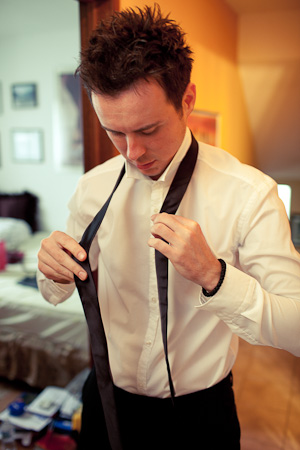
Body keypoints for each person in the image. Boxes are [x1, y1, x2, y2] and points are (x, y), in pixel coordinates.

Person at [37, 4, 300, 449]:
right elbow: (55, 291)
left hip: (200, 416)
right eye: (114, 132)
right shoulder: (92, 188)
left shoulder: (250, 193)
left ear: (188, 100)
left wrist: (215, 278)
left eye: (148, 129)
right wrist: (51, 271)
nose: (132, 152)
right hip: (105, 403)